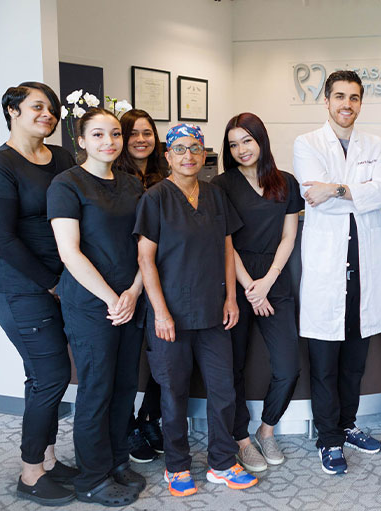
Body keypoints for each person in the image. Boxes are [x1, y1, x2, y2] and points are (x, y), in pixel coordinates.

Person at [134, 124, 257, 496]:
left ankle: (222, 462)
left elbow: (226, 248)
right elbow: (145, 259)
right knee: (173, 395)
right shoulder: (154, 198)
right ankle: (177, 466)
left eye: (196, 149)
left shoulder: (215, 196)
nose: (189, 156)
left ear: (204, 155)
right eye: (180, 149)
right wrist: (160, 312)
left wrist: (232, 298)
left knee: (223, 391)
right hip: (170, 316)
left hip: (214, 313)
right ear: (168, 156)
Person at [293, 70, 381, 475]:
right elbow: (312, 195)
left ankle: (348, 425)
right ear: (327, 101)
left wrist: (337, 188)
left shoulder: (376, 144)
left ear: (361, 102)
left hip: (363, 268)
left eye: (353, 97)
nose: (346, 104)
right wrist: (357, 191)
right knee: (325, 362)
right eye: (339, 97)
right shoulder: (307, 143)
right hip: (327, 270)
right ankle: (328, 438)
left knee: (355, 360)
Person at [0, 82, 77, 506]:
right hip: (21, 286)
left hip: (59, 282)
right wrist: (52, 282)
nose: (48, 114)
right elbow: (3, 239)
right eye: (38, 107)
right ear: (12, 111)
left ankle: (49, 461)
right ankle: (30, 473)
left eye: (52, 109)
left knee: (43, 376)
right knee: (51, 375)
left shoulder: (60, 157)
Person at [47, 108, 146, 506]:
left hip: (129, 299)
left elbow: (145, 245)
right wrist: (111, 297)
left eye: (115, 134)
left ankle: (117, 461)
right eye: (99, 134)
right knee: (96, 390)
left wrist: (135, 292)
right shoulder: (66, 184)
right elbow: (69, 252)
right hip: (92, 304)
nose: (110, 141)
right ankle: (91, 478)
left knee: (125, 387)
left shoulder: (131, 184)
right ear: (82, 141)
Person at [212, 112, 303, 472]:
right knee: (231, 369)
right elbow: (225, 244)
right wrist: (250, 285)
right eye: (233, 144)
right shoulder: (220, 185)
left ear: (261, 140)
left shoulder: (286, 183)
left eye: (247, 140)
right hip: (236, 284)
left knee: (287, 366)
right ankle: (242, 440)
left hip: (274, 282)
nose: (241, 149)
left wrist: (267, 282)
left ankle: (266, 430)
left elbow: (289, 237)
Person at [115, 108, 167, 463]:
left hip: (168, 277)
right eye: (132, 133)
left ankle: (150, 416)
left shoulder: (168, 174)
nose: (140, 139)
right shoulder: (113, 176)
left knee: (167, 358)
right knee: (129, 358)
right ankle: (129, 426)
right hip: (128, 277)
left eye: (147, 132)